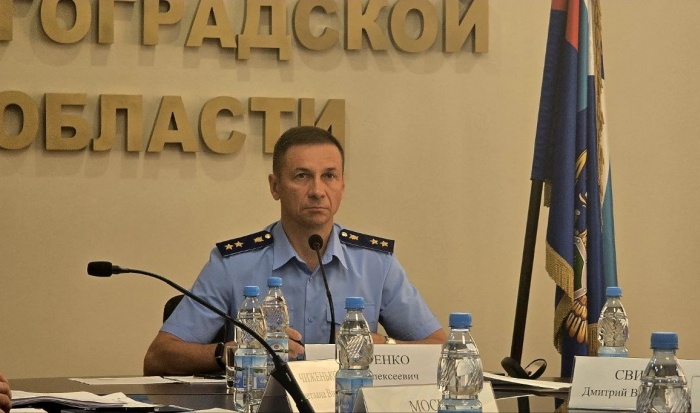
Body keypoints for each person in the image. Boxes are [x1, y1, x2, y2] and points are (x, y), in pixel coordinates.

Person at [143, 126, 446, 375]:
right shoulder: (234, 263)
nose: (317, 191)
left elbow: (442, 349)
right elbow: (159, 357)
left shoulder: (375, 263)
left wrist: (386, 348)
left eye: (329, 176)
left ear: (342, 185)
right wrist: (232, 353)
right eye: (302, 176)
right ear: (275, 186)